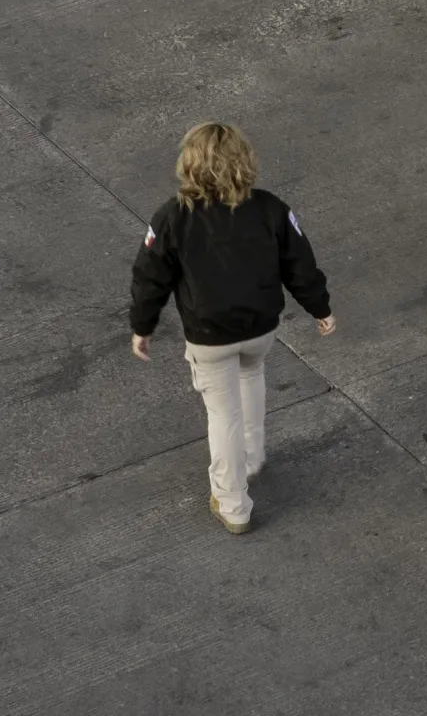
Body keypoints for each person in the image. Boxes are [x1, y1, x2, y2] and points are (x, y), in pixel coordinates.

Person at [129, 123, 335, 534]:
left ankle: (233, 502)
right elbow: (301, 264)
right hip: (260, 327)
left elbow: (150, 278)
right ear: (244, 160)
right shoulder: (270, 209)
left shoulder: (172, 217)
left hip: (209, 335)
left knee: (222, 415)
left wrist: (142, 326)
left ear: (188, 165)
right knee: (251, 376)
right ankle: (252, 457)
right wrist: (319, 308)